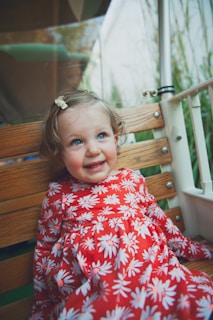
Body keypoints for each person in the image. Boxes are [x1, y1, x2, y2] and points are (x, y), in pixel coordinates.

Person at [30, 90, 213, 320]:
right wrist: (43, 302)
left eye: (101, 135)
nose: (93, 150)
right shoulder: (59, 195)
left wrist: (190, 248)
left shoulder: (131, 180)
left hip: (151, 276)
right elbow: (45, 249)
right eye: (77, 141)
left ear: (115, 140)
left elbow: (157, 219)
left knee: (189, 304)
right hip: (94, 288)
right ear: (60, 156)